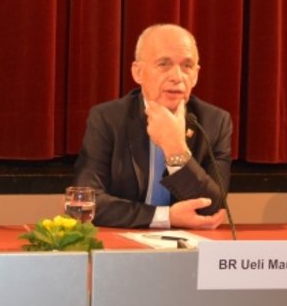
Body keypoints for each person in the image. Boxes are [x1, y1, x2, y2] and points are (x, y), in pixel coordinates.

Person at [74, 23, 233, 229]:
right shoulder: (108, 118)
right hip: (122, 244)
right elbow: (86, 203)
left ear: (195, 74)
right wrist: (166, 217)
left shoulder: (214, 122)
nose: (177, 77)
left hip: (189, 248)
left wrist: (176, 150)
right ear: (138, 72)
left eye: (187, 66)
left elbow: (211, 207)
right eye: (164, 64)